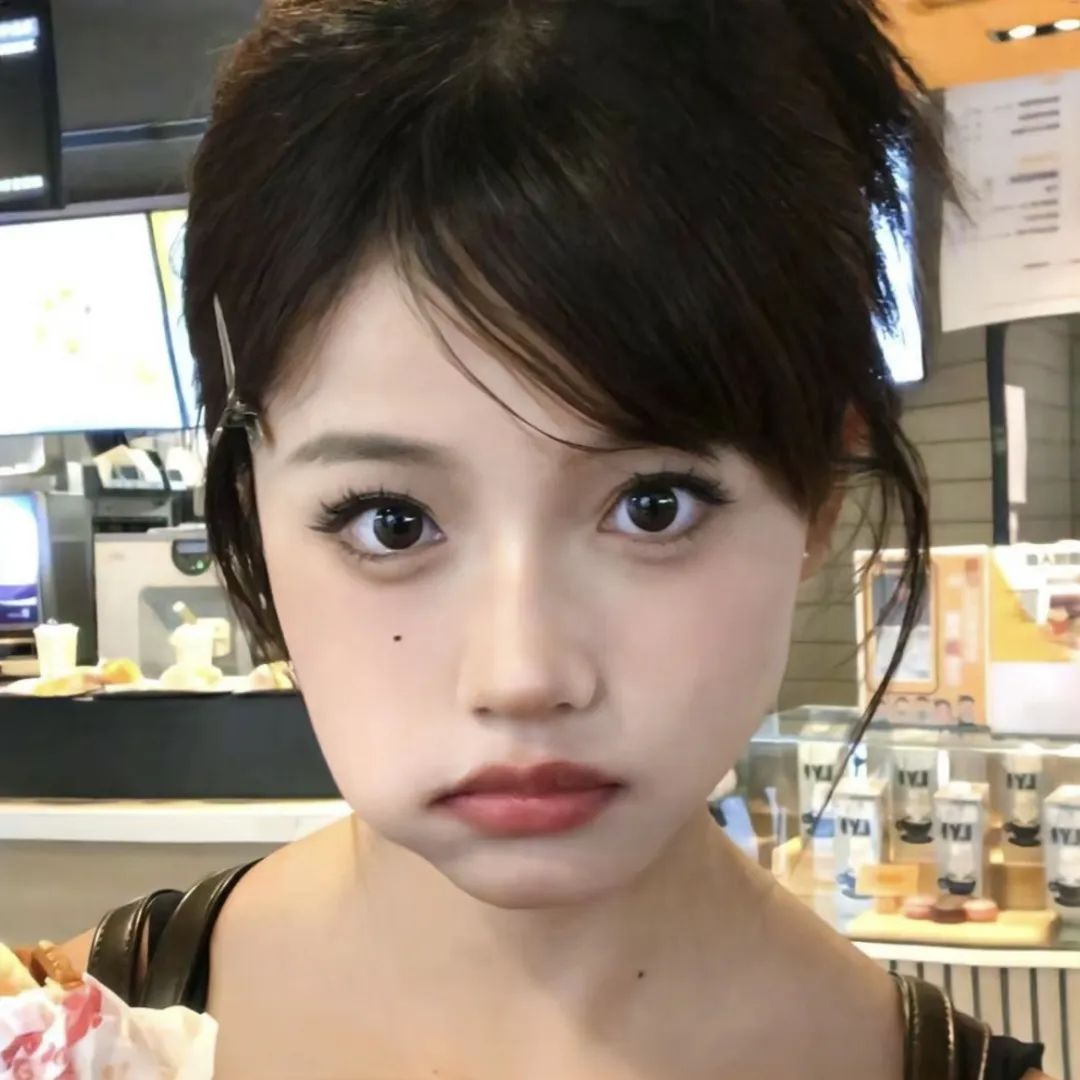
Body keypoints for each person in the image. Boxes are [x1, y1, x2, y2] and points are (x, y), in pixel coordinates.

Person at [59, 1, 1051, 1077]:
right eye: (393, 521)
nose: (523, 676)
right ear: (252, 506)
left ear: (816, 494)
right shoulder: (66, 1039)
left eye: (654, 506)